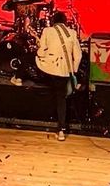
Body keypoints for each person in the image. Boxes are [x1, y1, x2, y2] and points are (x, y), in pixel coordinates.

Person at [35, 10, 82, 141]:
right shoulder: (72, 33)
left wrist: (40, 53)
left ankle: (18, 78)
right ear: (65, 22)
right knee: (61, 99)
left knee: (29, 60)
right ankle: (61, 130)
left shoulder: (47, 31)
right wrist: (73, 71)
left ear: (53, 21)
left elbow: (41, 51)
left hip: (48, 69)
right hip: (64, 71)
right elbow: (78, 56)